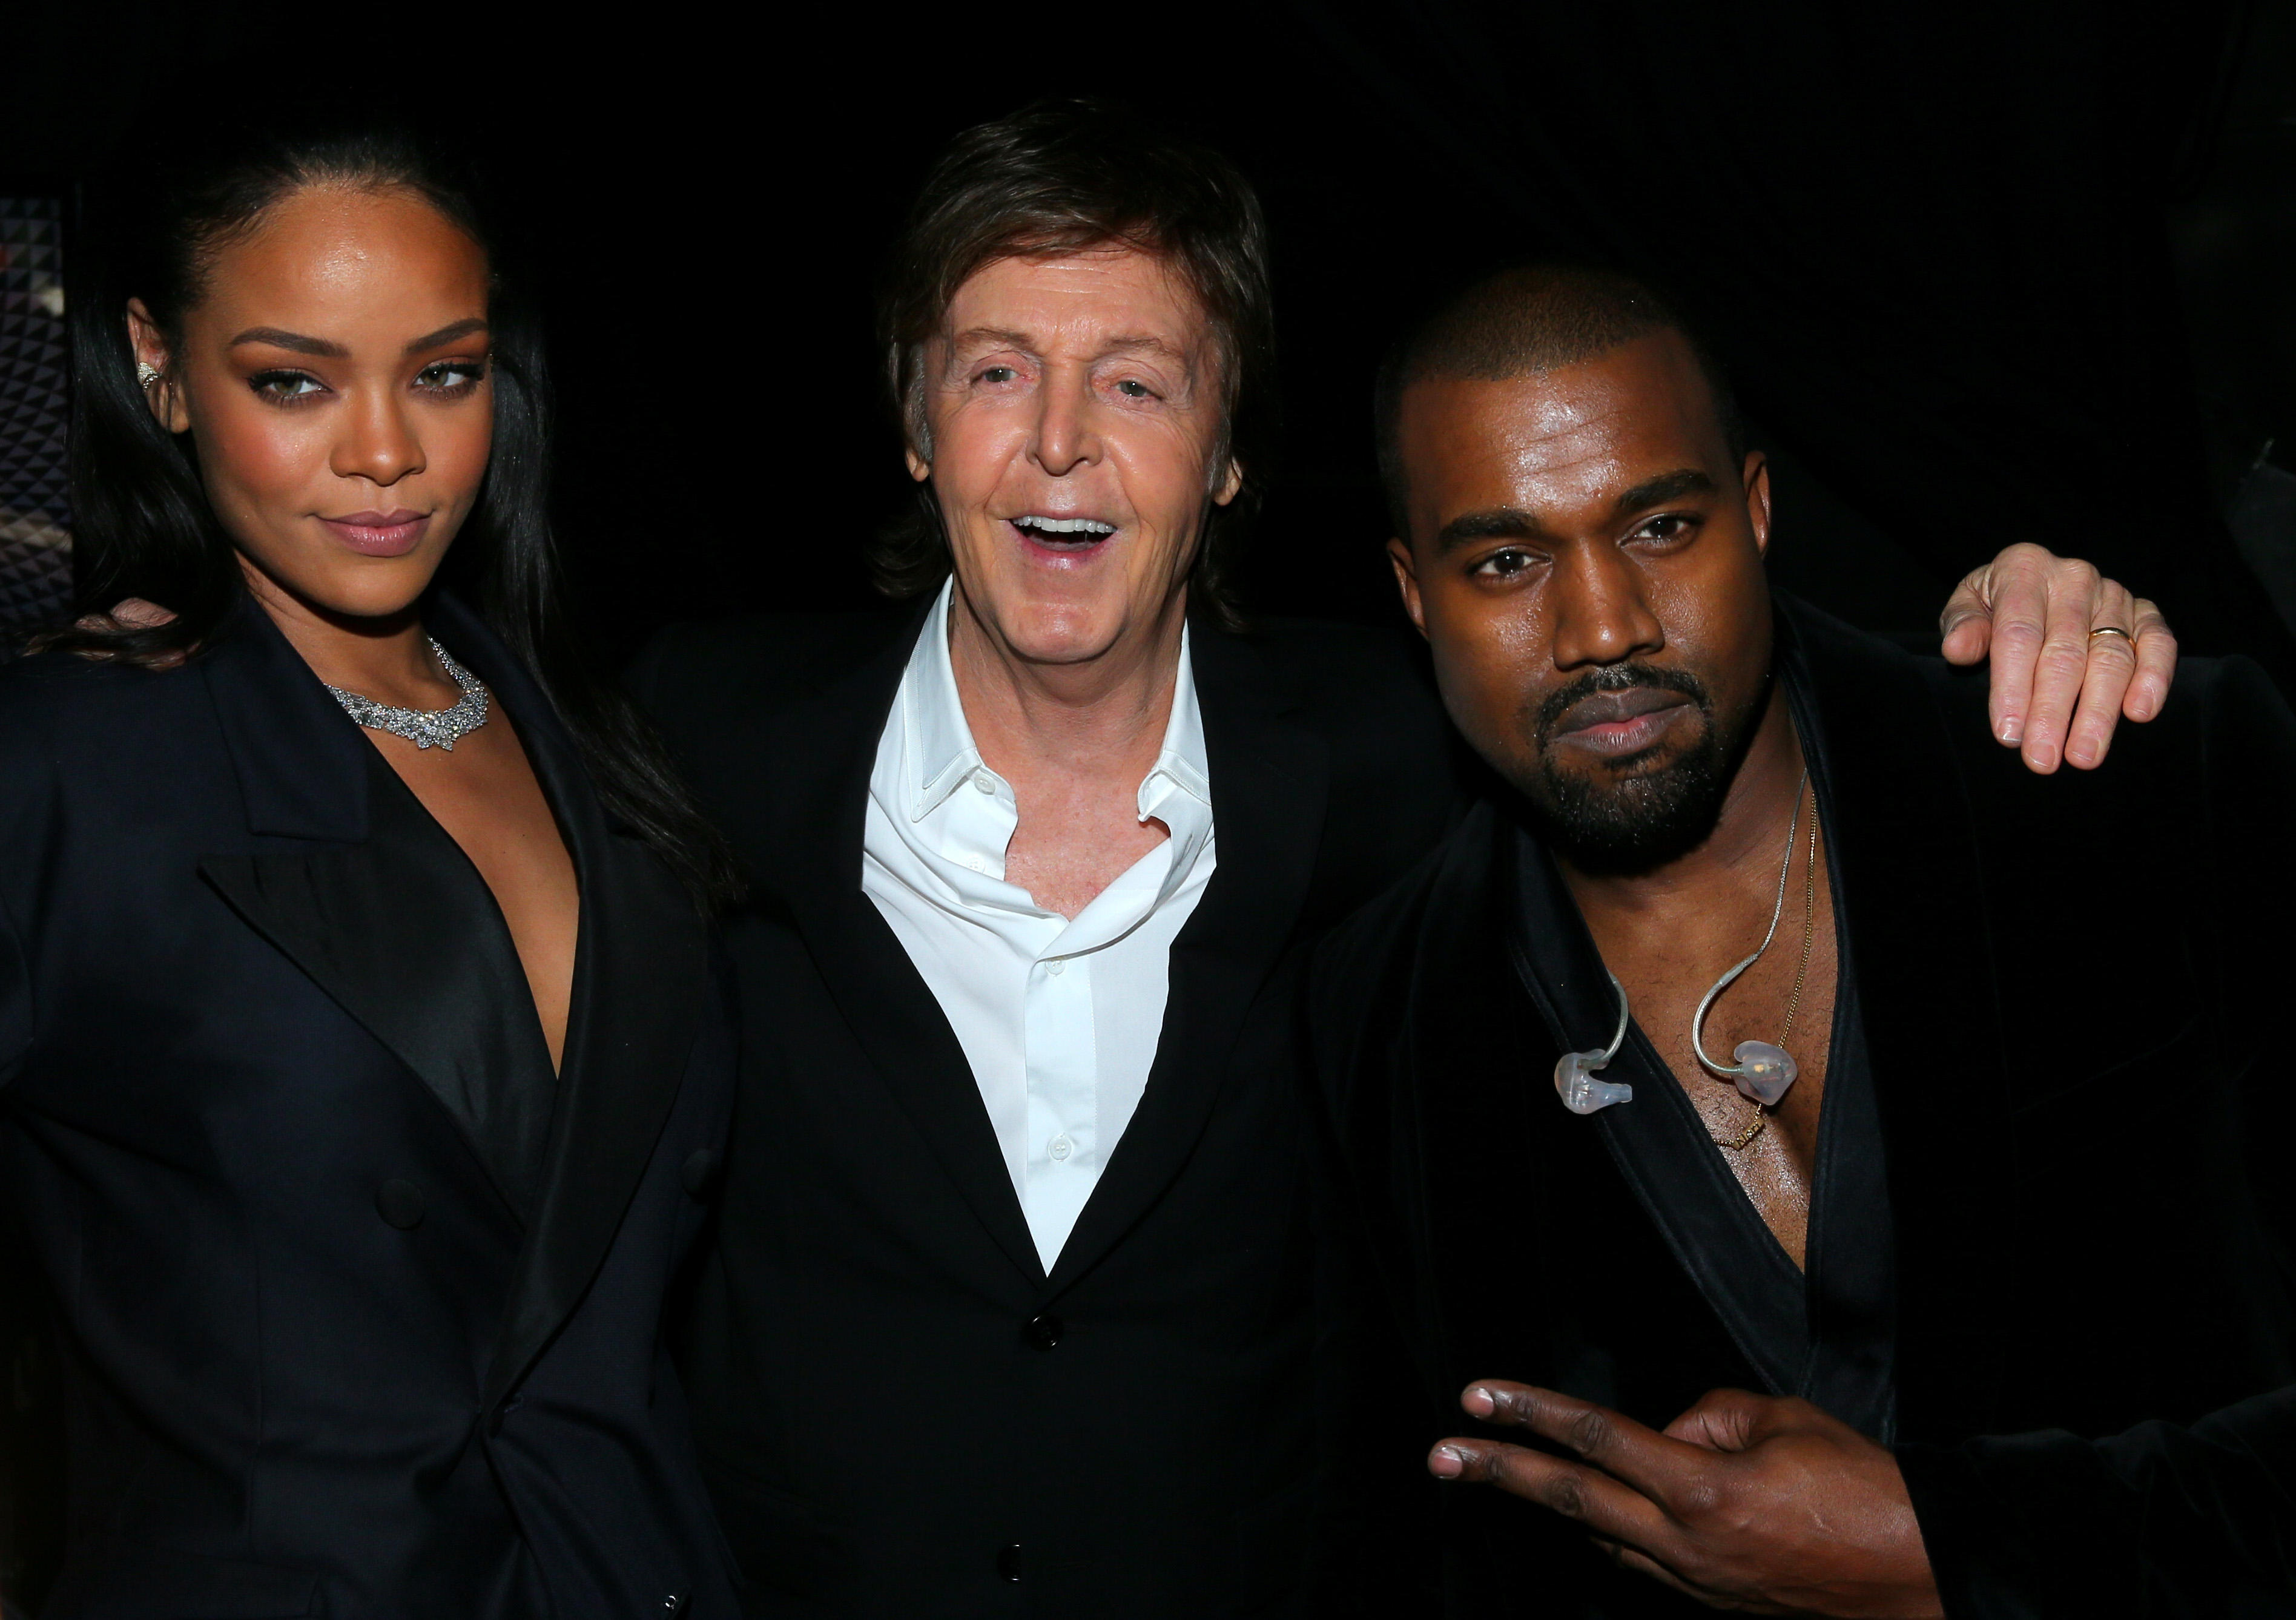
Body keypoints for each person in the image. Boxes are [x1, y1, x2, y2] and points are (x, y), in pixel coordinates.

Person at [632, 103, 2174, 1618]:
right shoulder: (694, 740)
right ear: (914, 425)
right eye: (995, 372)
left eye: (1137, 383)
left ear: (1230, 456)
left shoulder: (1402, 757)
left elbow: (1671, 691)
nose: (1058, 442)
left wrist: (2021, 609)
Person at [1308, 263, 2296, 1618]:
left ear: (1759, 515)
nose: (1604, 628)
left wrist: (1948, 1549)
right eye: (1507, 562)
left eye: (1658, 527)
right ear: (1416, 598)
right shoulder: (1373, 1027)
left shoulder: (2136, 771)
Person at [0, 126, 744, 1616]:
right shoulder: (71, 757)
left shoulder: (588, 734)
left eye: (444, 374)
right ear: (158, 365)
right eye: (294, 381)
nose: (386, 451)